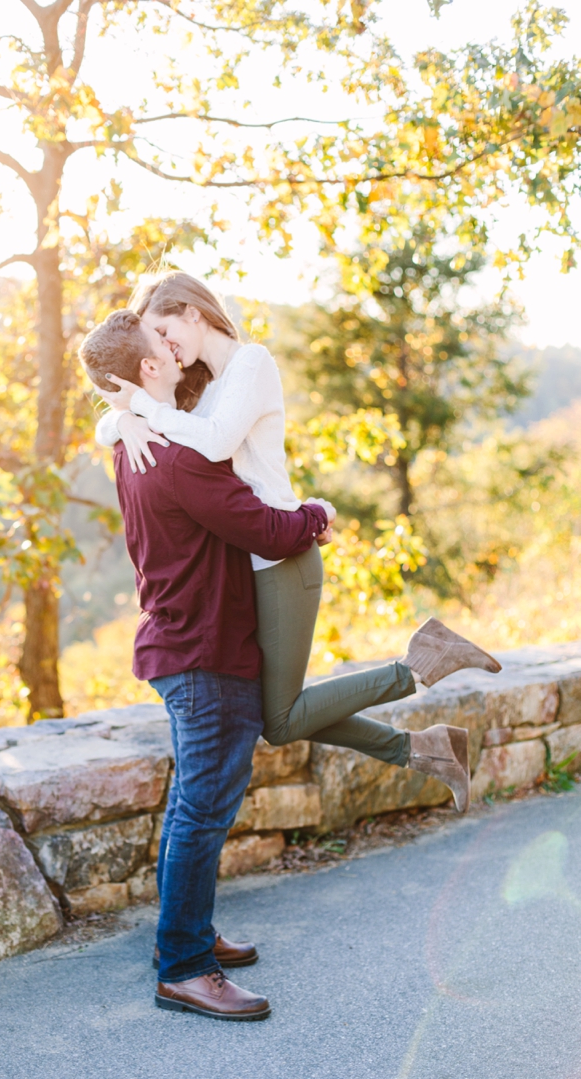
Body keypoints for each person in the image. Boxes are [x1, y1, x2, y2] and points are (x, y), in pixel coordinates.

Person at [78, 309, 501, 1021]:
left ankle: (187, 935)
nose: (173, 347)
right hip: (205, 651)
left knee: (197, 804)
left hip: (182, 643)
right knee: (202, 810)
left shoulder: (137, 444)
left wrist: (121, 417)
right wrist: (315, 514)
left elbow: (133, 429)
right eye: (161, 343)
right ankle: (183, 964)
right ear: (146, 370)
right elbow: (263, 524)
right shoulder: (177, 456)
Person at [93, 272, 502, 813]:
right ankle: (429, 749)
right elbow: (115, 417)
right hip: (250, 560)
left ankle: (422, 664)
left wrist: (143, 414)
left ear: (193, 312)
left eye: (166, 330)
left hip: (282, 552)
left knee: (279, 720)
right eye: (156, 340)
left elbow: (215, 444)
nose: (165, 347)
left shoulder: (251, 364)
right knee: (274, 716)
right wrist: (122, 420)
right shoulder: (201, 386)